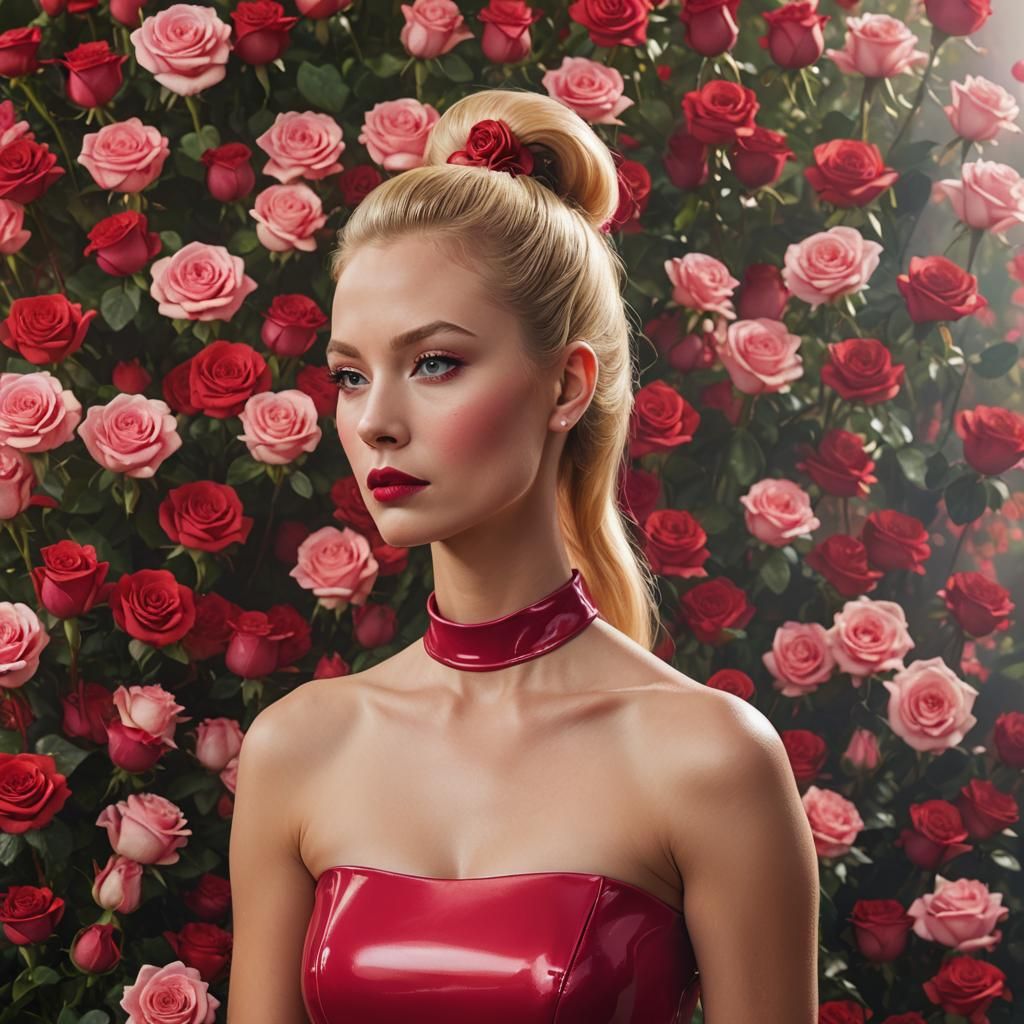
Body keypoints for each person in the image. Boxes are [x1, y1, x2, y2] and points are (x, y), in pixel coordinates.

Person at [226, 87, 819, 1024]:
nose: (375, 421)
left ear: (565, 387)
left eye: (435, 363)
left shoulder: (709, 761)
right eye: (349, 375)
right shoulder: (298, 748)